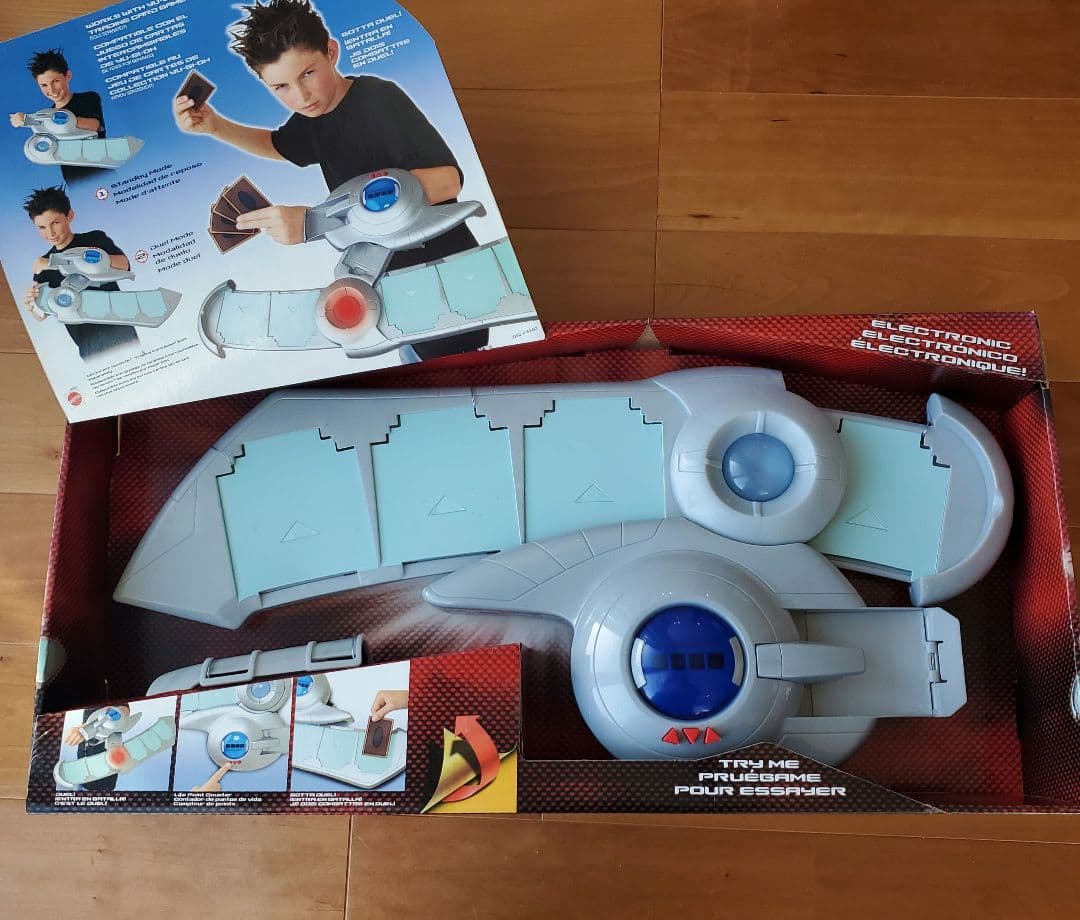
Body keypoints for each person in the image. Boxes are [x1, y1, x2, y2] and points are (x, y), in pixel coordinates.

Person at [174, 0, 487, 357]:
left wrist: (317, 221)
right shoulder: (313, 118)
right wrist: (216, 126)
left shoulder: (378, 99)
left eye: (308, 73)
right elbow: (278, 145)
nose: (301, 96)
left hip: (444, 275)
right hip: (388, 286)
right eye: (281, 87)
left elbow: (447, 181)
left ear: (332, 52)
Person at [22, 186, 140, 360]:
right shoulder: (43, 265)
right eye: (42, 227)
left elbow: (123, 265)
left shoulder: (93, 239)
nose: (50, 233)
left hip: (119, 330)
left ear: (69, 215)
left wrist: (58, 261)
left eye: (55, 223)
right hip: (87, 344)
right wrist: (31, 305)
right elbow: (41, 314)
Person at [9, 48, 108, 185]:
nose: (51, 90)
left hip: (102, 174)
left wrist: (35, 119)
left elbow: (94, 126)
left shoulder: (88, 98)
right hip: (74, 183)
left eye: (55, 81)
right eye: (44, 85)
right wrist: (29, 121)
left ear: (68, 76)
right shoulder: (45, 117)